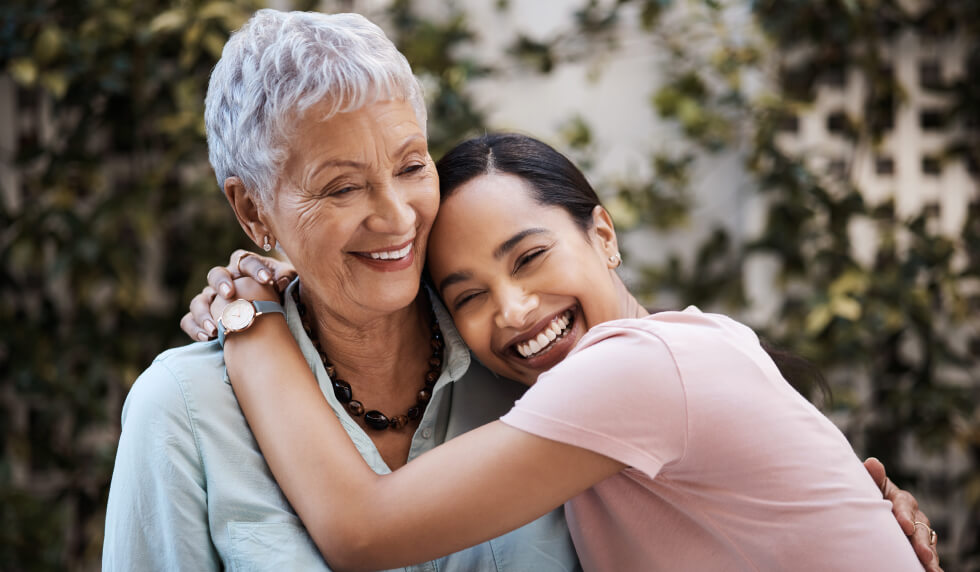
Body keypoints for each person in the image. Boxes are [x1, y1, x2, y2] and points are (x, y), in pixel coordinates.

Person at [193, 134, 942, 571]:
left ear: (604, 235)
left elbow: (361, 531)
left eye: (528, 257)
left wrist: (251, 317)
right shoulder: (678, 351)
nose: (514, 311)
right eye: (468, 297)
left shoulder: (635, 371)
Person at [102, 11, 579, 570]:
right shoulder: (181, 412)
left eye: (411, 166)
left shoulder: (524, 356)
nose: (397, 217)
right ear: (253, 210)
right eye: (343, 187)